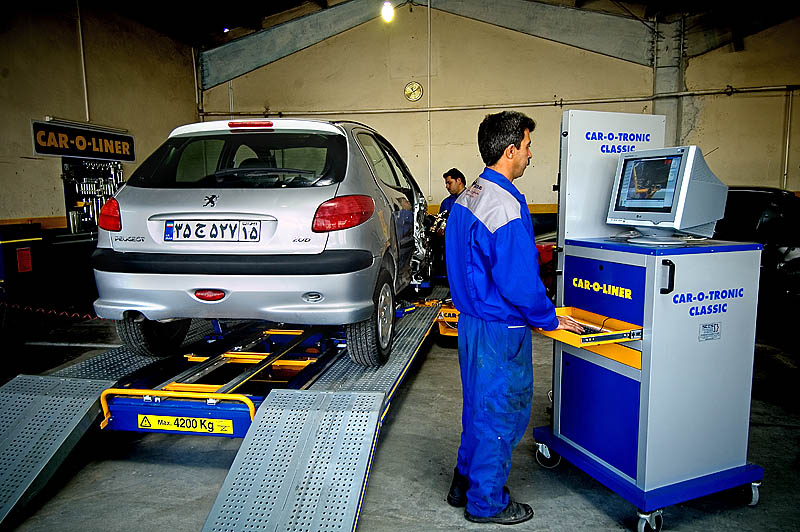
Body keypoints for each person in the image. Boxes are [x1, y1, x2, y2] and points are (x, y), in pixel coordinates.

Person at [444, 111, 582, 525]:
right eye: (526, 146)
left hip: (471, 323)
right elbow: (519, 281)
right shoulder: (503, 205)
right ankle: (486, 502)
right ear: (509, 150)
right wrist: (548, 318)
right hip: (500, 330)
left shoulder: (468, 196)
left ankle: (463, 482)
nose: (529, 154)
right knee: (501, 414)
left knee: (478, 408)